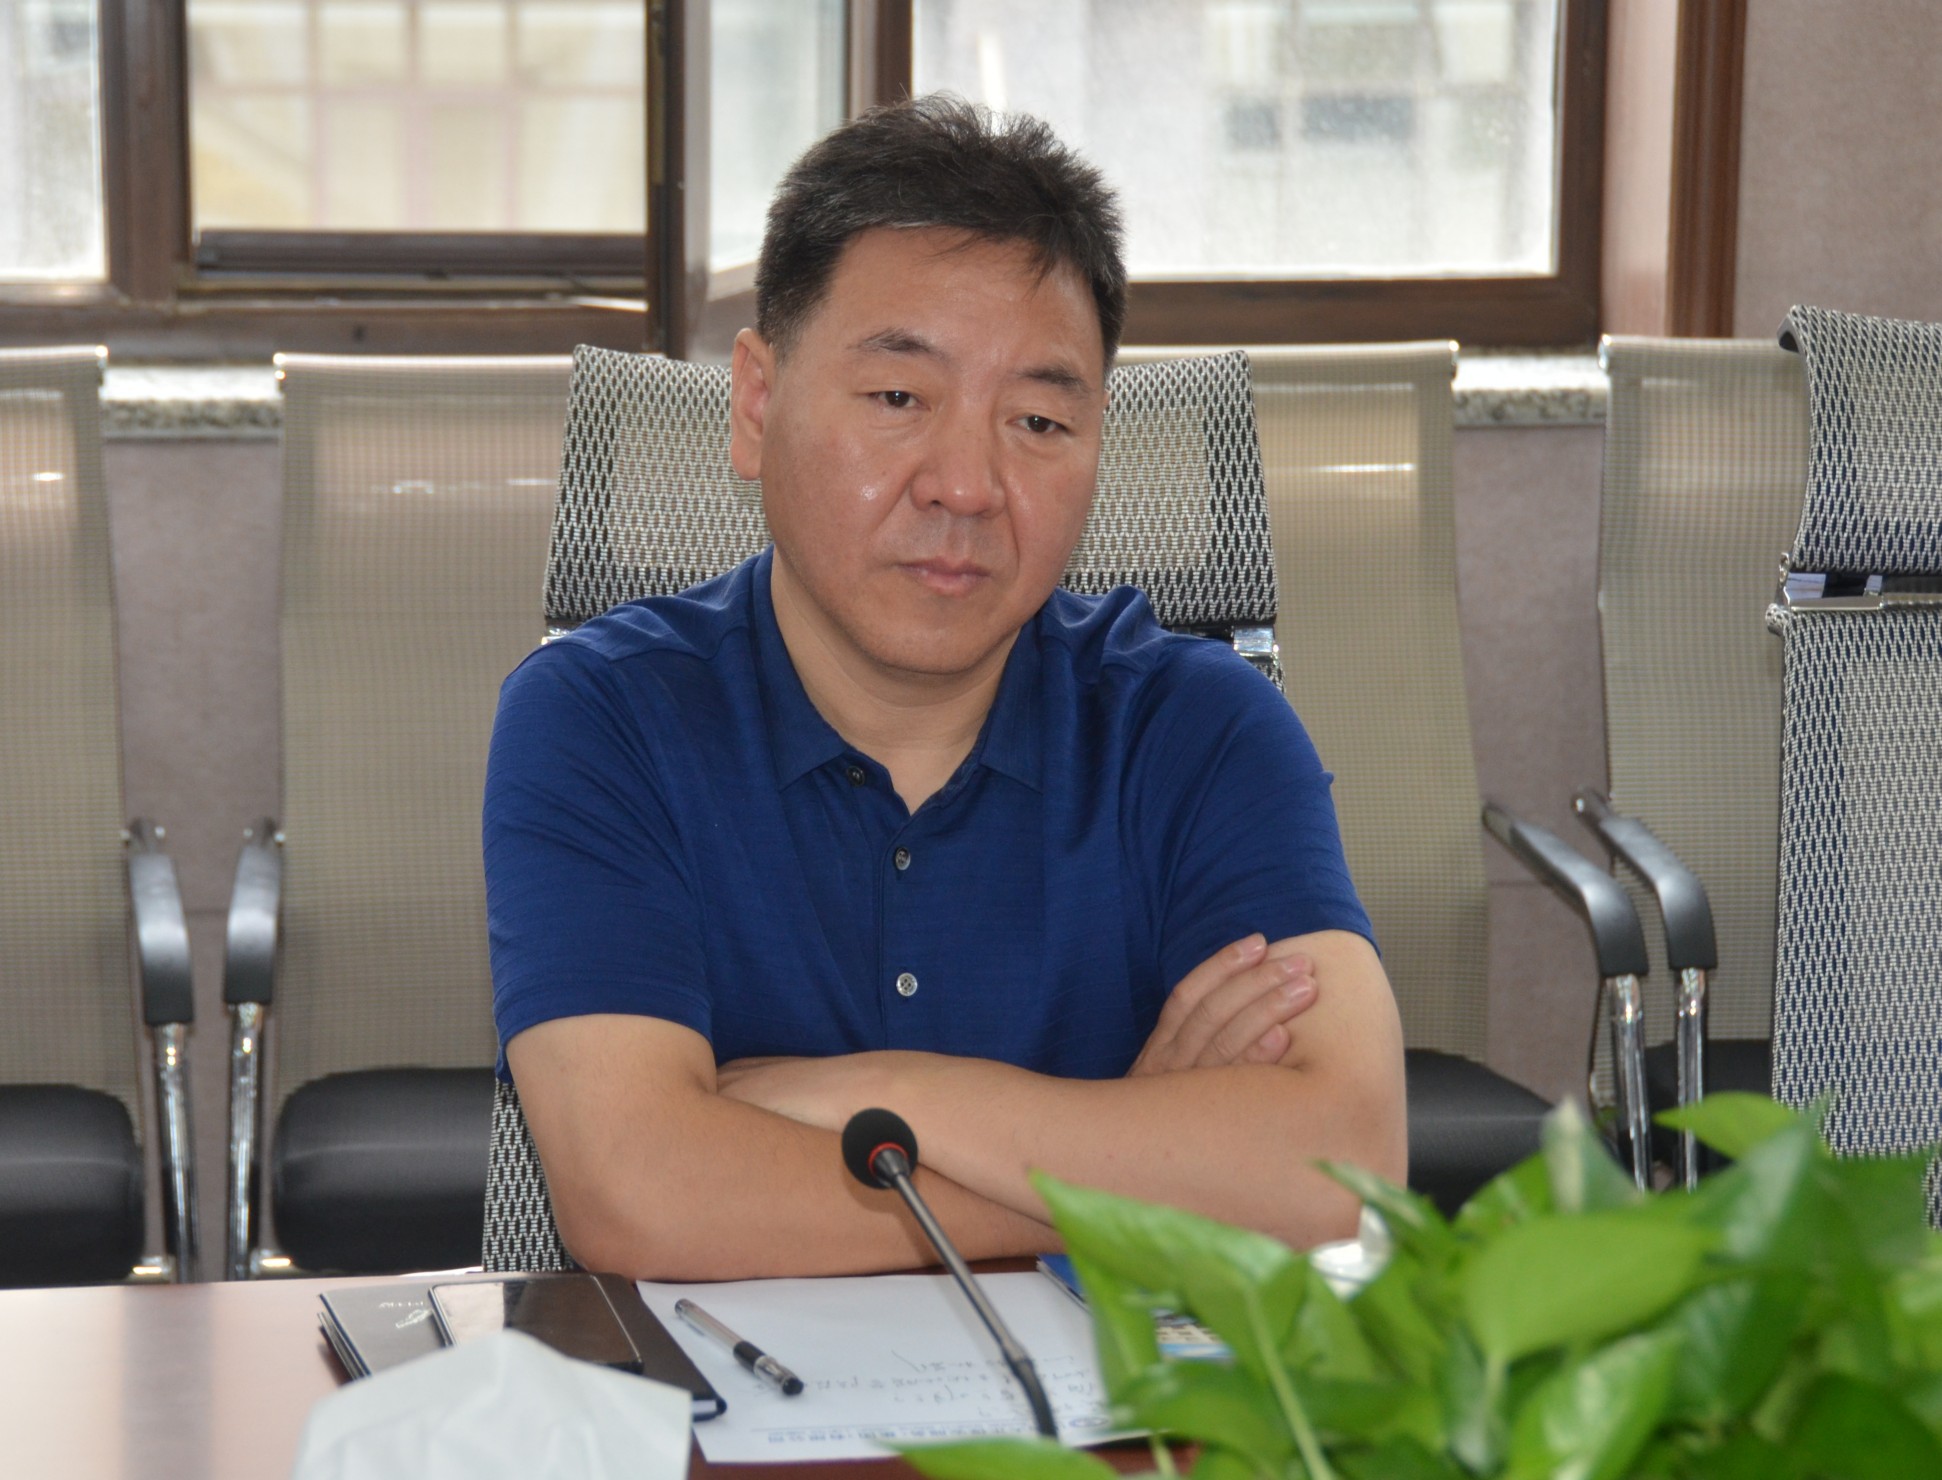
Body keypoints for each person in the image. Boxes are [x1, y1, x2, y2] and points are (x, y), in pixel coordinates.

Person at [484, 95, 1406, 1281]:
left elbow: (1342, 1170)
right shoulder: (599, 721)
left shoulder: (1202, 727)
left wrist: (875, 1097)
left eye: (1038, 419)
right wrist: (1143, 1172)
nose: (966, 485)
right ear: (757, 403)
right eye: (897, 399)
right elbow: (641, 1196)